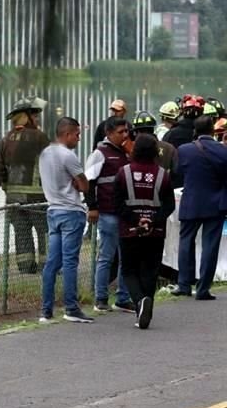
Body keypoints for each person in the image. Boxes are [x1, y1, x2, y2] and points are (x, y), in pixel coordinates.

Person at [114, 134, 175, 330]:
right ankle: (146, 304)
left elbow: (117, 203)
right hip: (155, 232)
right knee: (150, 270)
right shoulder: (162, 175)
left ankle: (140, 301)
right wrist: (152, 220)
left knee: (129, 270)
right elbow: (169, 206)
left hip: (129, 230)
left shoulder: (123, 173)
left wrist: (136, 219)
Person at [38, 117, 93, 323]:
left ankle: (46, 310)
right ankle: (71, 307)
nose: (78, 138)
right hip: (71, 211)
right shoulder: (68, 156)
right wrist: (79, 183)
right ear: (67, 134)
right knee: (70, 262)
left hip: (53, 210)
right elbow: (84, 185)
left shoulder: (45, 153)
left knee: (52, 263)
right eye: (77, 134)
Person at [171, 116, 227, 300]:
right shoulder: (222, 150)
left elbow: (178, 172)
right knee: (210, 245)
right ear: (212, 130)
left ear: (195, 130)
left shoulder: (184, 150)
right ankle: (203, 288)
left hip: (191, 201)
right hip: (215, 203)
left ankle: (184, 284)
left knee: (186, 242)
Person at [84, 116, 136, 313]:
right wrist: (92, 206)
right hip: (108, 213)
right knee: (106, 256)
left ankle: (123, 298)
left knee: (126, 258)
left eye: (126, 131)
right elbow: (88, 182)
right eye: (120, 132)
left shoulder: (127, 152)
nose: (125, 135)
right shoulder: (100, 153)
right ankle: (101, 298)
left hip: (127, 213)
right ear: (109, 134)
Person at [0, 96, 50, 274]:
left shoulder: (5, 139)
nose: (37, 119)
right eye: (34, 115)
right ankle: (47, 266)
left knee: (21, 232)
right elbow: (51, 165)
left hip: (12, 198)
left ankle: (26, 267)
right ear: (25, 117)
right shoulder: (39, 137)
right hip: (36, 196)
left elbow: (0, 170)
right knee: (44, 231)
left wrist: (7, 189)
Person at [130, 110, 180, 187]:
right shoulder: (169, 148)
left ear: (137, 132)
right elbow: (176, 173)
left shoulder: (131, 148)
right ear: (153, 129)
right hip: (163, 191)